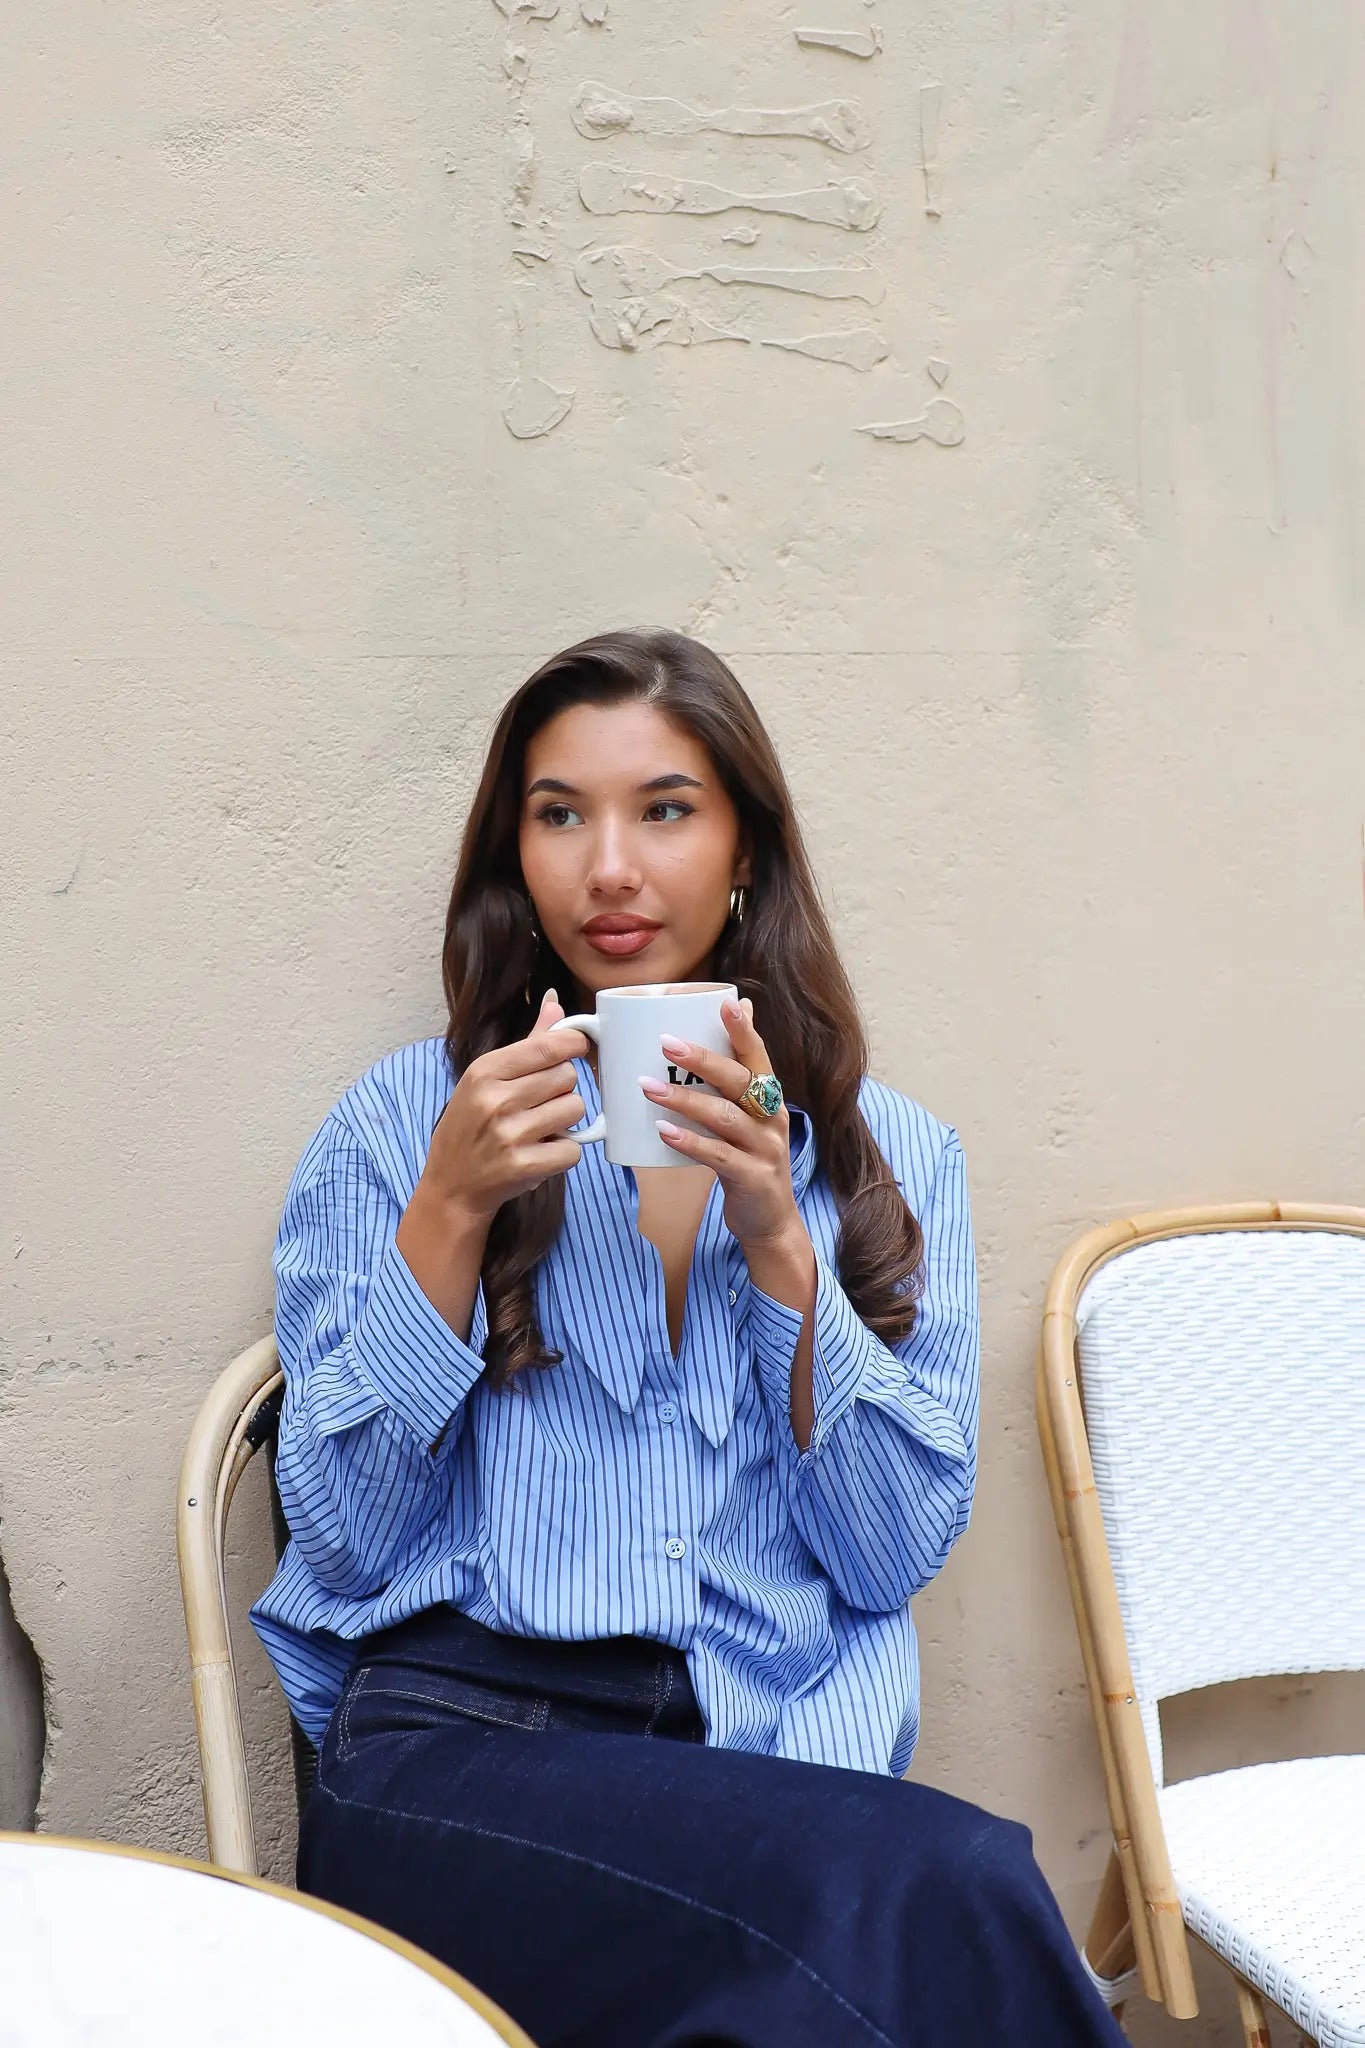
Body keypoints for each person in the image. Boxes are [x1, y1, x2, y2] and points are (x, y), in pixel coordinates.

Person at [250, 630, 1123, 2047]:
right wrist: (451, 1214)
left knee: (836, 1982)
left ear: (744, 858)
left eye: (663, 809)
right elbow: (341, 1543)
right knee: (947, 1884)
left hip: (759, 1761)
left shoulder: (888, 1156)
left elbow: (888, 1552)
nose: (608, 867)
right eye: (557, 814)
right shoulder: (404, 1125)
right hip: (461, 1756)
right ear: (512, 862)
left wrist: (781, 1237)